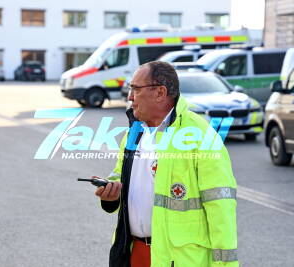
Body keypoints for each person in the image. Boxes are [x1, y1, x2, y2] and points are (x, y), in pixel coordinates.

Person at [94, 61, 238, 267]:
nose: (130, 97)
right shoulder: (134, 132)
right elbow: (120, 176)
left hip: (179, 260)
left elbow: (221, 207)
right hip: (134, 253)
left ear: (160, 92)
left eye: (135, 89)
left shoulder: (200, 135)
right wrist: (111, 193)